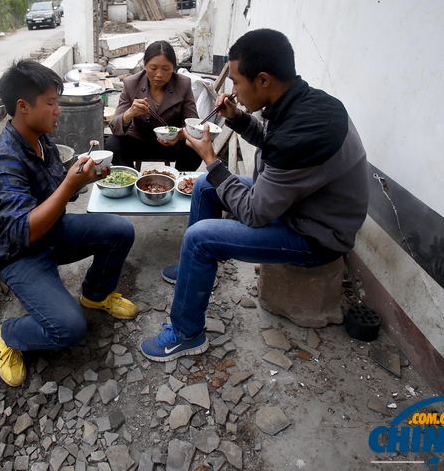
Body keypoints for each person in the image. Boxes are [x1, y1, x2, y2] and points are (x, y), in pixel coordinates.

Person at [140, 29, 370, 362]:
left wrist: (211, 159)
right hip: (298, 202)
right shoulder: (299, 103)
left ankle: (186, 333)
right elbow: (270, 141)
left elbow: (253, 213)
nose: (233, 91)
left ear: (263, 80)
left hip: (315, 233)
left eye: (236, 82)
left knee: (199, 237)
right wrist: (237, 118)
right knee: (206, 187)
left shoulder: (303, 134)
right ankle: (194, 274)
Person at [0, 60, 139, 387]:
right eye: (51, 103)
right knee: (69, 327)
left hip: (50, 233)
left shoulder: (40, 139)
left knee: (120, 230)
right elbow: (24, 230)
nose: (58, 111)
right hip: (18, 254)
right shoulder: (2, 160)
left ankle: (95, 294)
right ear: (23, 107)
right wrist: (68, 186)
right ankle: (9, 335)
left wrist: (81, 180)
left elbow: (54, 192)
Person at [106, 40, 202, 171]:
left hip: (171, 145)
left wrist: (179, 135)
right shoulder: (131, 83)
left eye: (166, 69)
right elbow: (114, 126)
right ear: (145, 65)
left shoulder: (183, 84)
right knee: (112, 144)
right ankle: (130, 181)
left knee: (196, 147)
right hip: (138, 142)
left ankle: (180, 182)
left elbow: (193, 123)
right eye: (153, 68)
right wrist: (130, 113)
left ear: (173, 68)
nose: (159, 74)